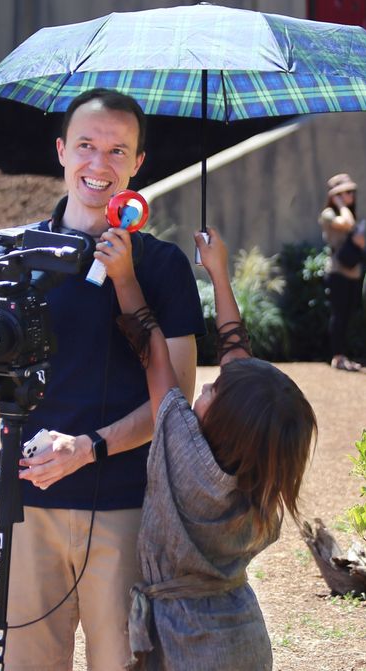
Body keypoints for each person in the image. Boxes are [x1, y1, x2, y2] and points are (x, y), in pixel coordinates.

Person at [0, 88, 205, 670]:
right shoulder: (6, 253)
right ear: (61, 150)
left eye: (117, 150)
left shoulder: (161, 266)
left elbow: (176, 400)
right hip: (23, 504)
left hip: (124, 509)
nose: (98, 163)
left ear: (138, 165)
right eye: (86, 145)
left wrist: (89, 448)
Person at [100, 226, 317, 670]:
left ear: (226, 422)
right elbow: (240, 364)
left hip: (186, 644)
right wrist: (219, 274)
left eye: (213, 390)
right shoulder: (261, 475)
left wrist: (123, 277)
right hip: (242, 636)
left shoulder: (185, 454)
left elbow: (154, 351)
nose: (205, 386)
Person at [319, 173, 365, 371]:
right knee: (338, 314)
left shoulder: (348, 213)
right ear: (335, 195)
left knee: (347, 316)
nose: (351, 195)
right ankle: (337, 357)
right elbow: (347, 224)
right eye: (345, 192)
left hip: (353, 271)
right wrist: (341, 205)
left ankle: (343, 355)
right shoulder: (329, 213)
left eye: (351, 192)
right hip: (337, 270)